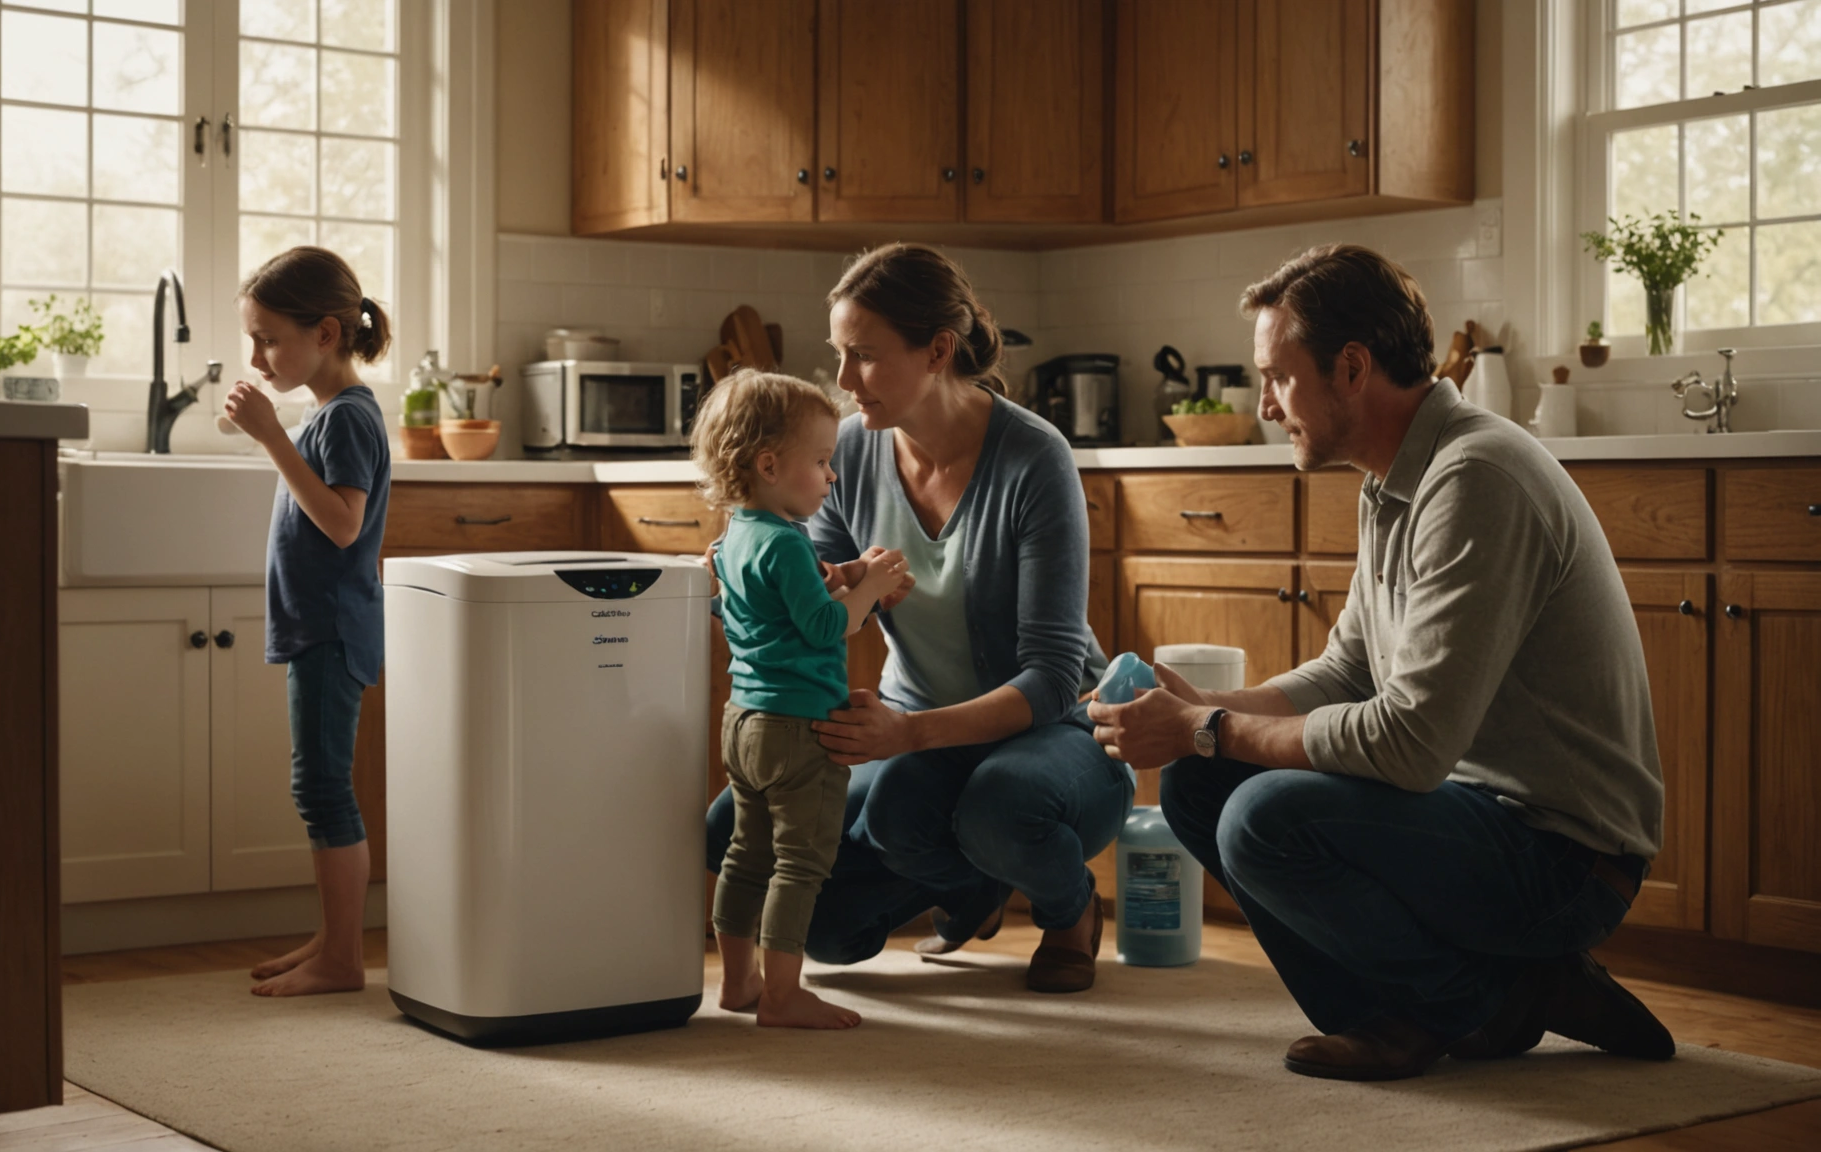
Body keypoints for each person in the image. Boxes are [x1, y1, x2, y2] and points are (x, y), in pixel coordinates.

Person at [1089, 244, 1673, 1079]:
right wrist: (1203, 712)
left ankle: (1466, 1005)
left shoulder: (1477, 476)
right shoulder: (1396, 477)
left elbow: (1409, 743)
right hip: (1470, 819)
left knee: (1261, 816)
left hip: (1563, 859)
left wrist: (1207, 727)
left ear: (1352, 368)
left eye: (1277, 378)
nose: (1264, 406)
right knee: (1199, 782)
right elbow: (1349, 674)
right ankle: (1499, 991)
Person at [704, 243, 1130, 993]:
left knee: (986, 811)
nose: (841, 381)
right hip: (918, 721)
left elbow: (1053, 677)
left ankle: (1069, 910)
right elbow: (818, 599)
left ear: (937, 351)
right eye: (838, 354)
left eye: (863, 356)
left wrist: (907, 735)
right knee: (784, 886)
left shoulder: (1034, 459)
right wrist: (752, 564)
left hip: (1053, 729)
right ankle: (973, 887)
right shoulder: (849, 453)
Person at [692, 370, 910, 1029]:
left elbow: (776, 608)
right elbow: (821, 625)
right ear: (770, 464)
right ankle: (784, 995)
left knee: (746, 855)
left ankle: (738, 982)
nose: (831, 476)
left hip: (745, 723)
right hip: (799, 730)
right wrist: (867, 588)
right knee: (800, 863)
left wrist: (844, 576)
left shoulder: (733, 537)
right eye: (820, 462)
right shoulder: (788, 541)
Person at [222, 246, 392, 998]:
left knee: (322, 789)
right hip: (319, 628)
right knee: (319, 786)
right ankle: (335, 937)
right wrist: (278, 436)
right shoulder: (329, 415)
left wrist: (272, 439)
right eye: (253, 338)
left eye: (269, 337)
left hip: (331, 631)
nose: (257, 355)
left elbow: (342, 524)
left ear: (325, 334)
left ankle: (344, 959)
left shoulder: (347, 419)